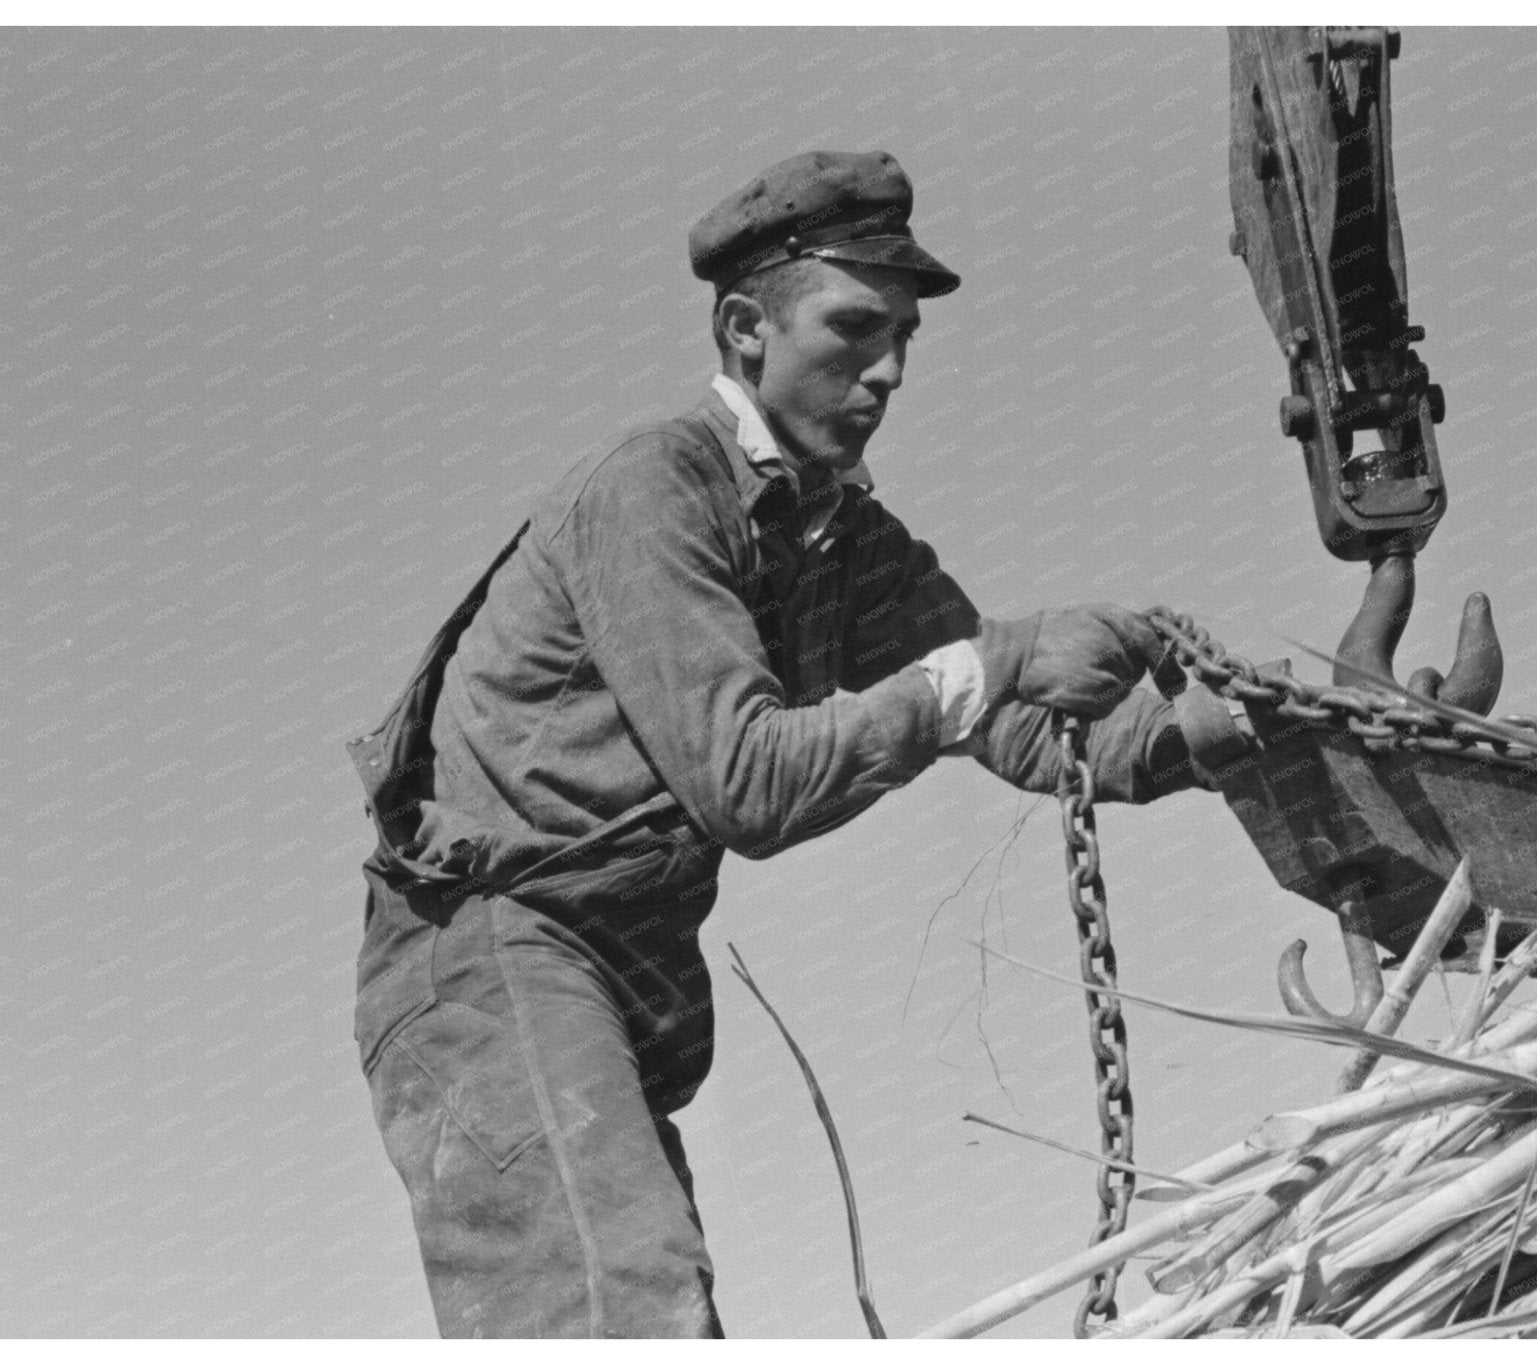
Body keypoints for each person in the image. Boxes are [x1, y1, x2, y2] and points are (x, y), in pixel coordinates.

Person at [347, 149, 1207, 1338]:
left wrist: (1235, 733)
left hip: (618, 974)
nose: (889, 370)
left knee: (652, 1309)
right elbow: (748, 783)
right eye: (854, 328)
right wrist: (1004, 655)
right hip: (495, 952)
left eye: (905, 336)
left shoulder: (837, 532)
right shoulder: (655, 488)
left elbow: (1012, 724)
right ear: (746, 328)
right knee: (620, 1312)